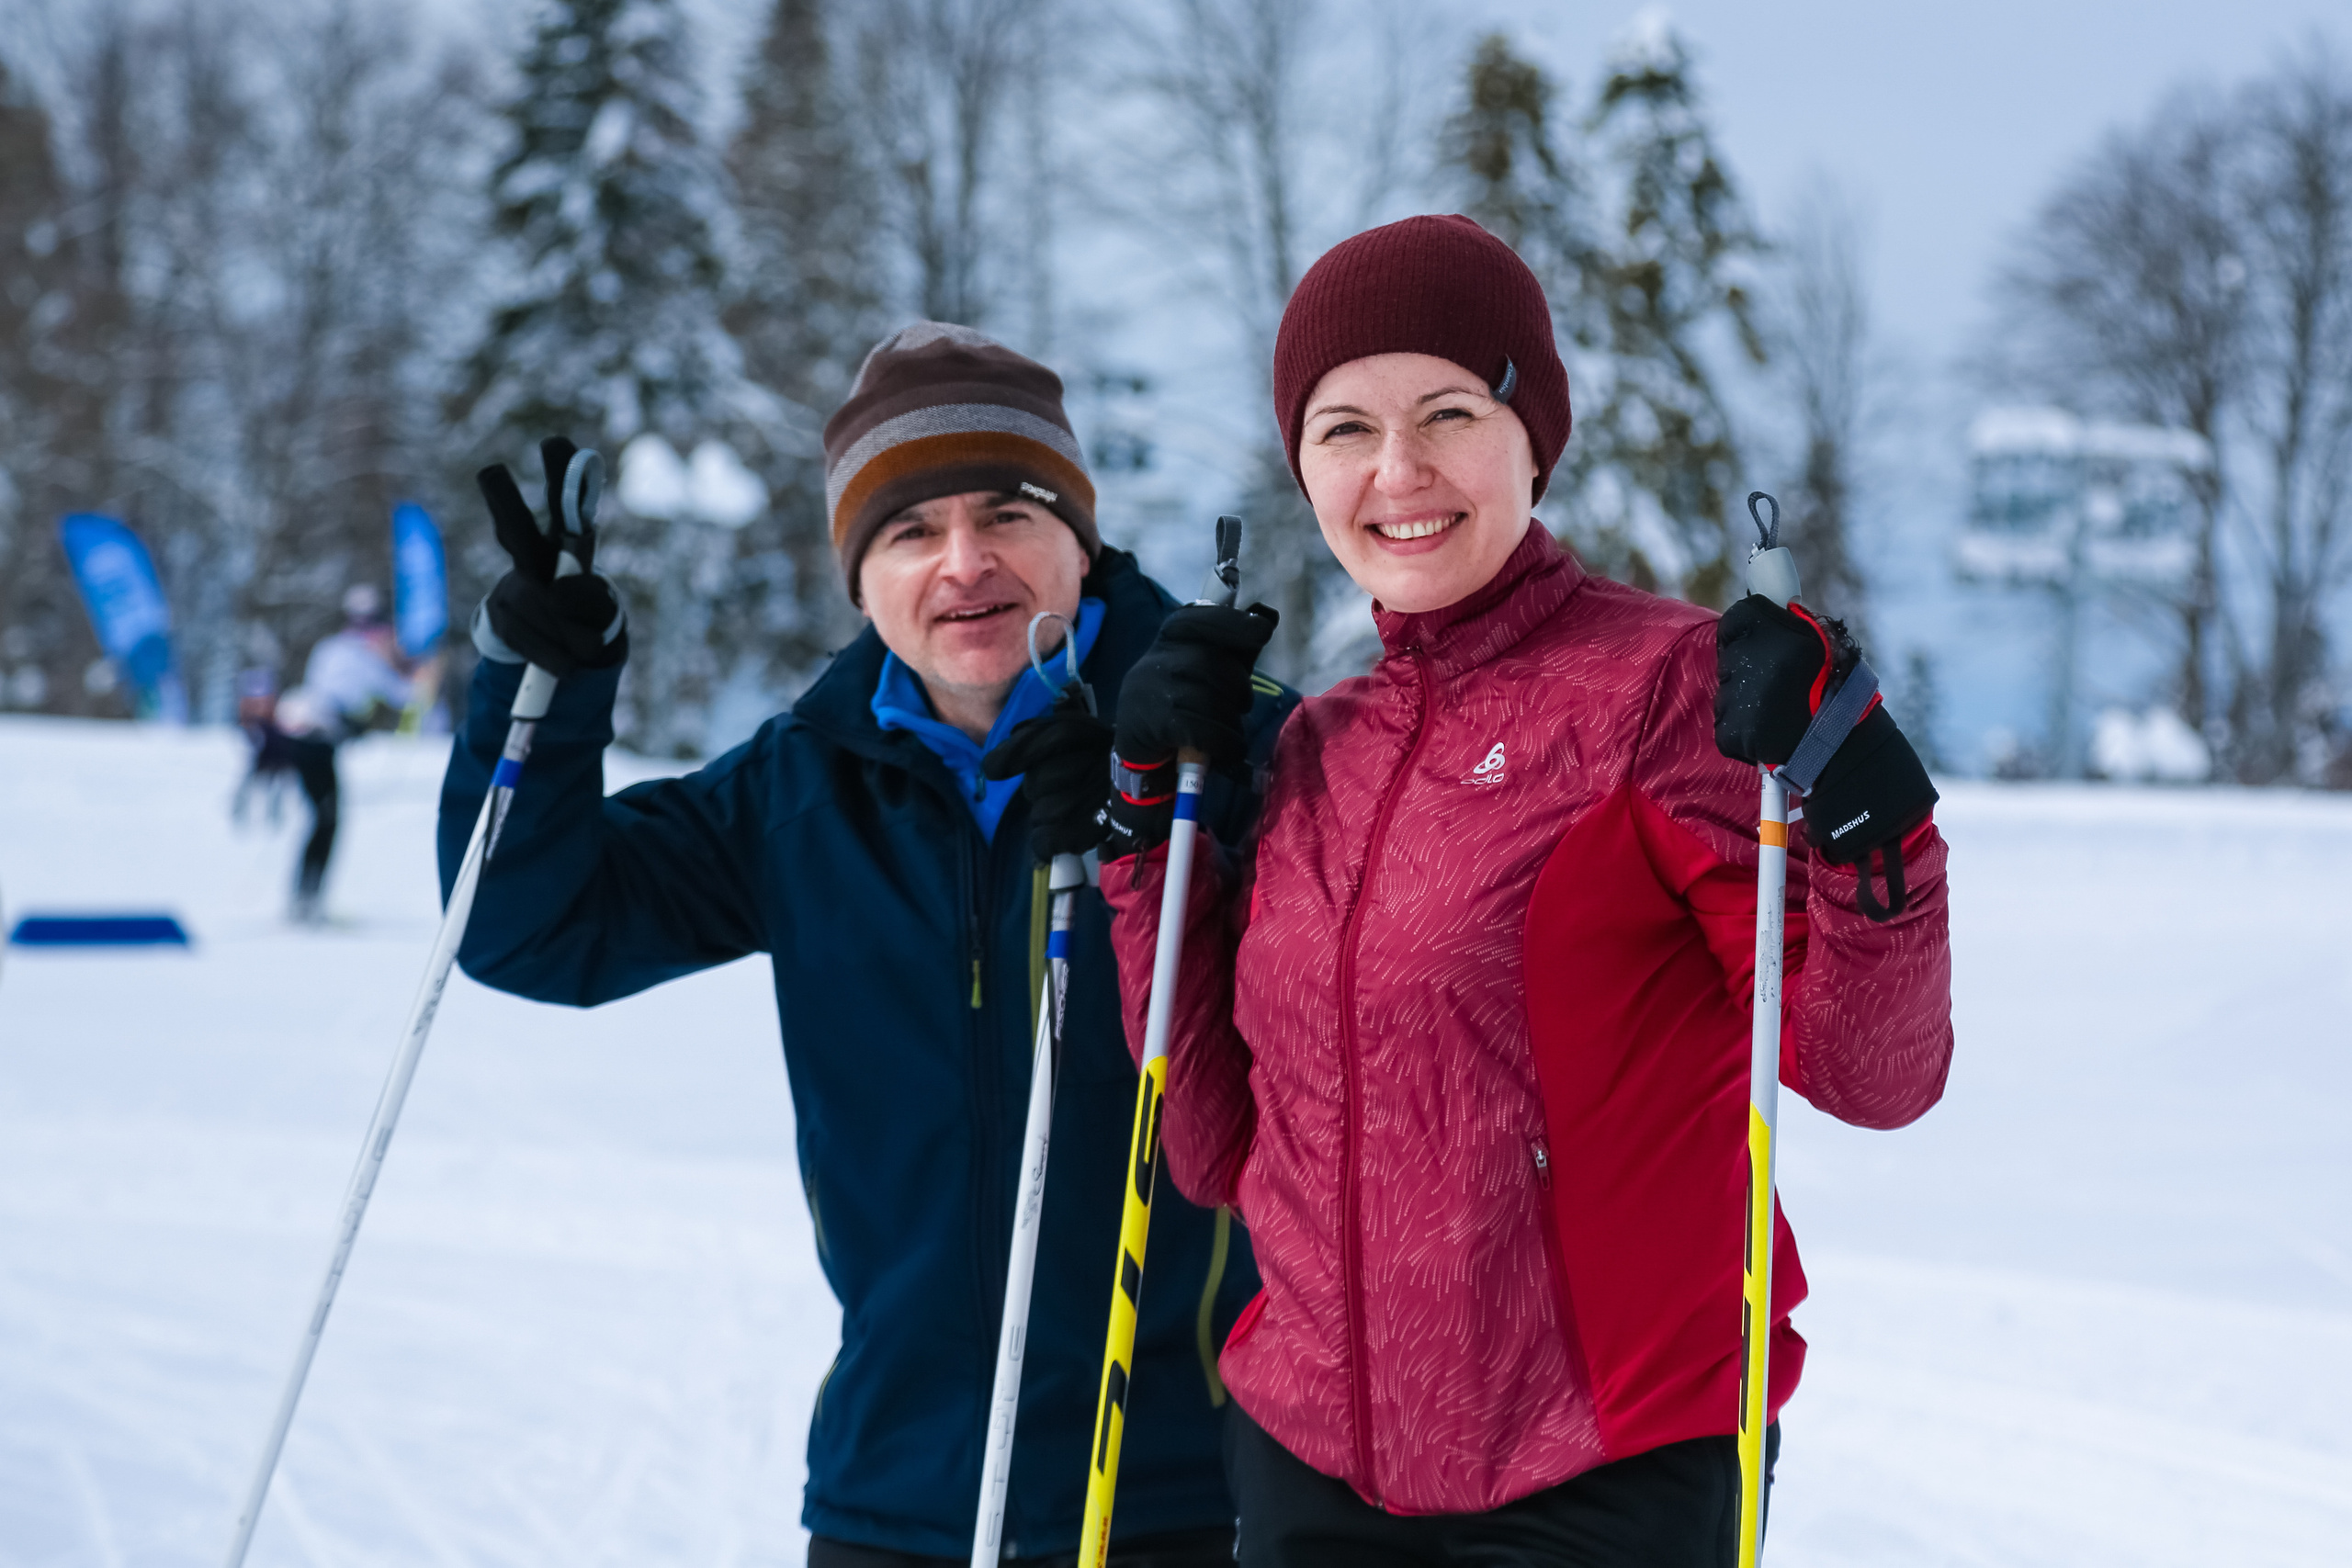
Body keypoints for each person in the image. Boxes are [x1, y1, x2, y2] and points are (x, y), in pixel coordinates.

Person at [1005, 217, 1953, 1566]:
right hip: (1306, 1470)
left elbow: (1875, 1071)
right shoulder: (1319, 743)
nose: (1398, 471)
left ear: (1532, 437)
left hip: (1599, 1475)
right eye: (1343, 429)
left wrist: (1868, 807)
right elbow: (1212, 1147)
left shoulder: (1663, 693)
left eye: (1448, 410)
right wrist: (1152, 824)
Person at [436, 323, 1295, 1566]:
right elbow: (529, 924)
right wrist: (542, 686)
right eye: (910, 531)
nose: (964, 563)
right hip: (898, 1489)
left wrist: (1184, 796)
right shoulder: (806, 785)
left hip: (1176, 1482)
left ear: (1081, 536)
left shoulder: (1229, 741)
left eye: (1007, 510)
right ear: (860, 574)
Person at [274, 585, 429, 925]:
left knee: (322, 818)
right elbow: (403, 695)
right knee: (326, 818)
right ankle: (306, 901)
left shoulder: (330, 648)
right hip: (316, 740)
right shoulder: (365, 655)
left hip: (307, 738)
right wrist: (419, 673)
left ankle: (305, 896)